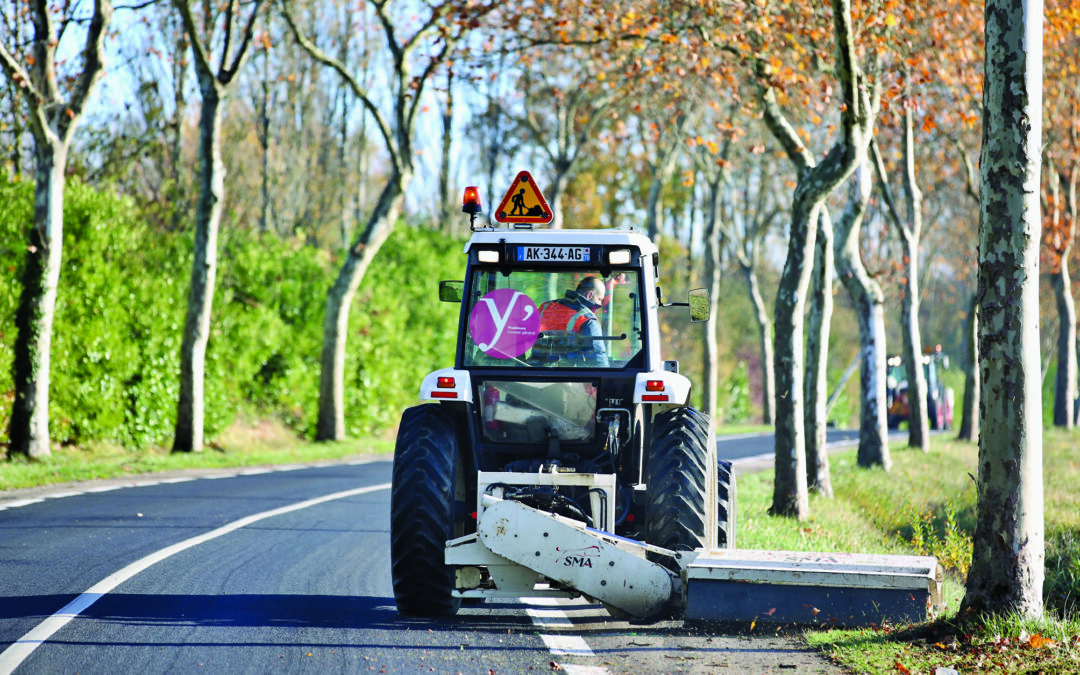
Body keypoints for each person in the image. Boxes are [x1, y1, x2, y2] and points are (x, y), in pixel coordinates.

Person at [533, 276, 609, 366]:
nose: (599, 304)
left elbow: (519, 336)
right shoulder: (588, 319)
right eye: (599, 299)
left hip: (533, 371)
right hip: (566, 375)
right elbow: (597, 359)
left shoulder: (546, 306)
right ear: (590, 295)